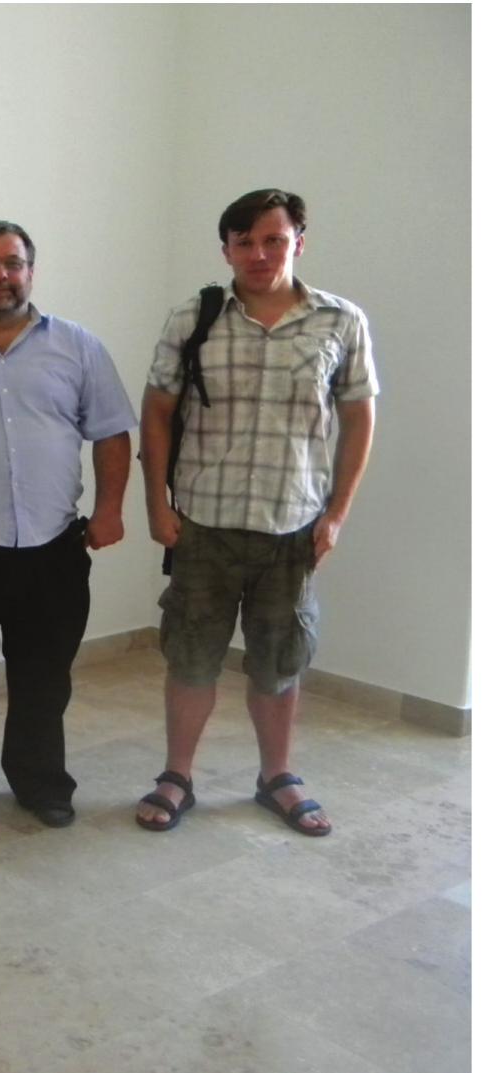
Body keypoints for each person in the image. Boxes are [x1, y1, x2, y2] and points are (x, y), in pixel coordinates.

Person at [137, 188, 377, 836]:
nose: (259, 253)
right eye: (243, 242)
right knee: (191, 656)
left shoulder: (340, 322)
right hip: (203, 523)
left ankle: (277, 776)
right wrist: (156, 503)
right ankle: (176, 775)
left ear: (299, 242)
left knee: (278, 661)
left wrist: (336, 514)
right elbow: (156, 410)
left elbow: (359, 418)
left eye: (273, 239)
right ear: (226, 250)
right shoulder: (194, 317)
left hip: (292, 526)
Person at [0, 221, 136, 836]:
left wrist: (111, 508)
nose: (0, 276)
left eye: (12, 263)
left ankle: (41, 784)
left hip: (50, 549)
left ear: (30, 272)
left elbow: (111, 431)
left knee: (43, 680)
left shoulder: (78, 346)